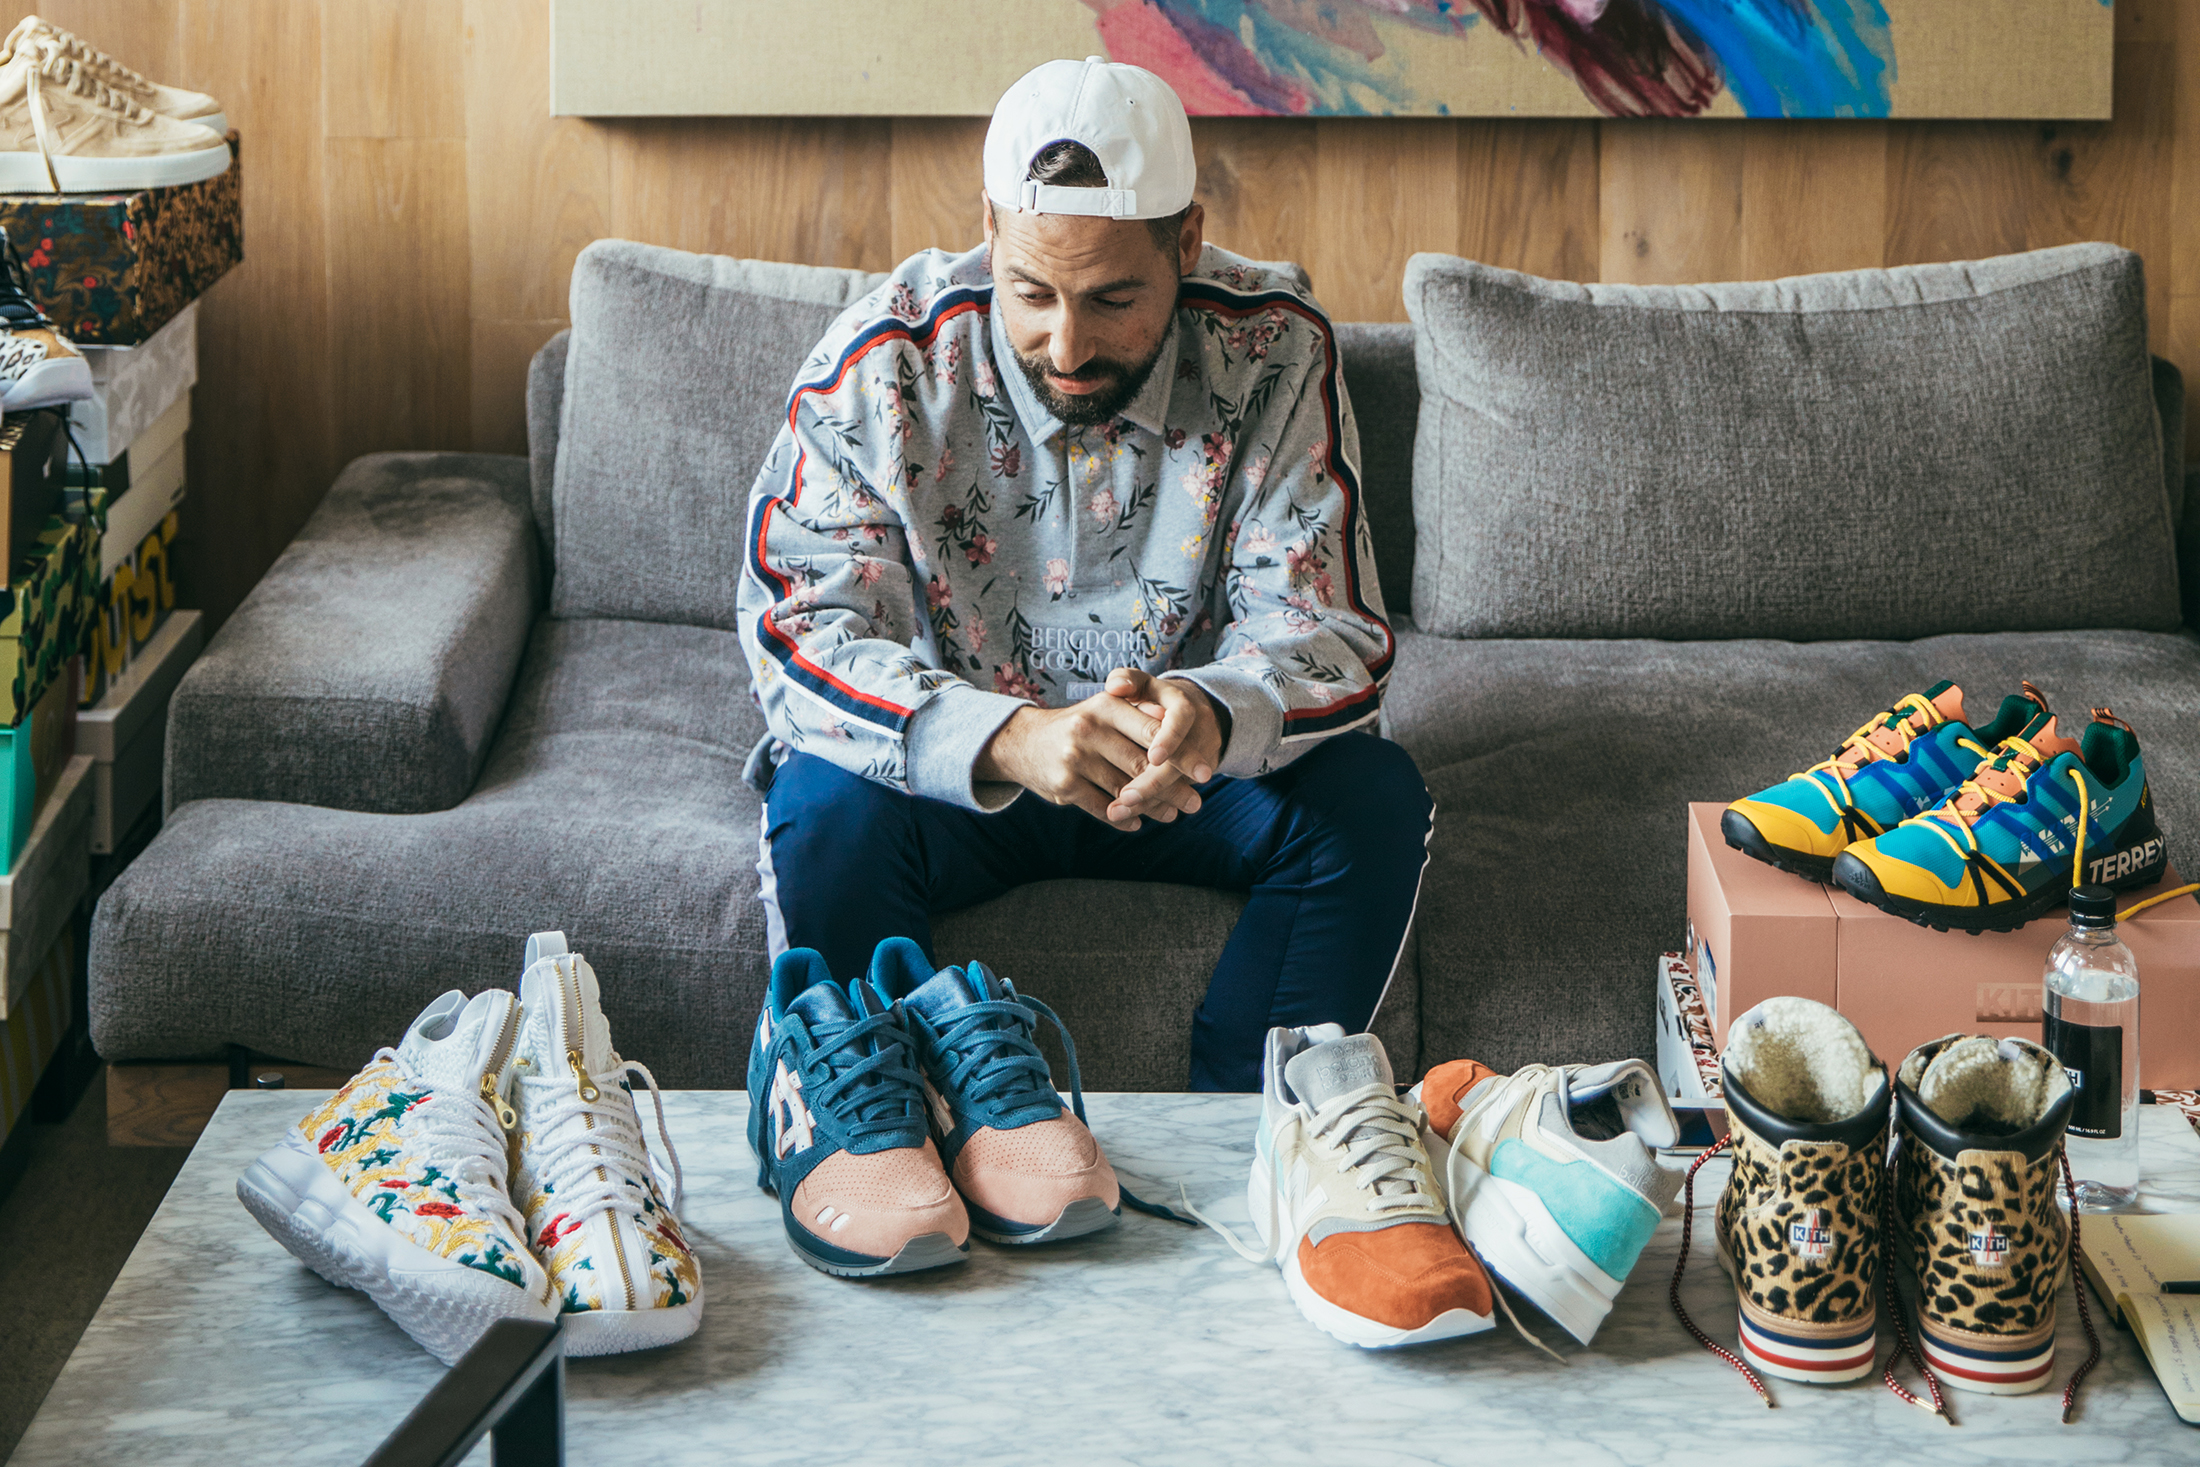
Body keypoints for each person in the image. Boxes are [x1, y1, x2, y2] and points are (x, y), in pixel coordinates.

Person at [737, 57, 1432, 1091]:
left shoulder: (1274, 349)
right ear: (989, 230)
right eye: (1031, 292)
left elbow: (1324, 625)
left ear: (1185, 242)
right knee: (822, 804)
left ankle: (1257, 1134)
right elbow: (801, 631)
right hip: (964, 777)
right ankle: (890, 1130)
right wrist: (1015, 738)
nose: (1066, 346)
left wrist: (1213, 710)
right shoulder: (882, 364)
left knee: (1372, 798)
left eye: (1113, 298)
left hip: (1185, 780)